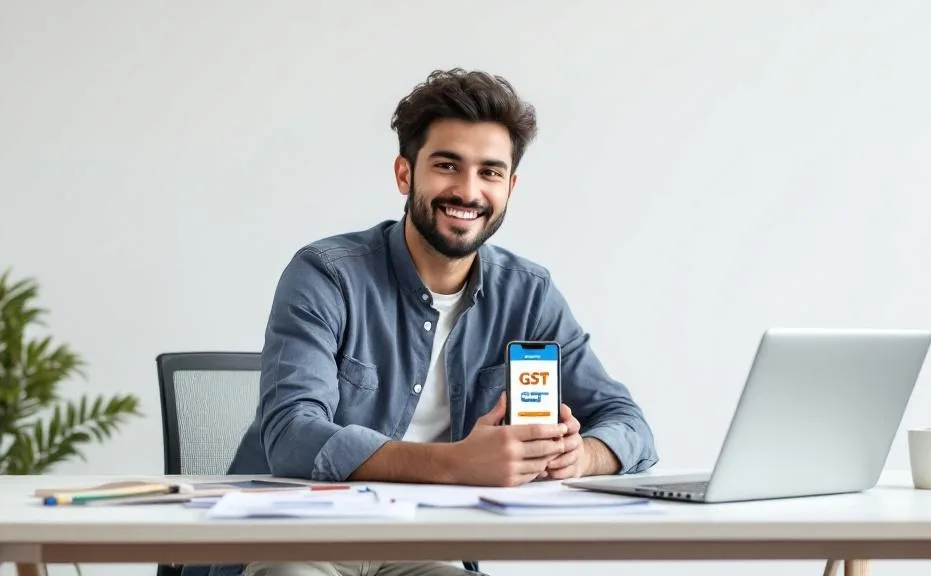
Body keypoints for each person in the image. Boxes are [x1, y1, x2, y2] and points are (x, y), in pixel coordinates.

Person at [201, 68, 658, 576]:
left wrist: (580, 457)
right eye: (447, 166)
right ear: (405, 174)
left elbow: (629, 424)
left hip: (420, 545)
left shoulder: (528, 294)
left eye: (490, 172)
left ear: (510, 186)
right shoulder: (326, 274)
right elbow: (292, 436)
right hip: (299, 534)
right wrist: (458, 463)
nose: (468, 191)